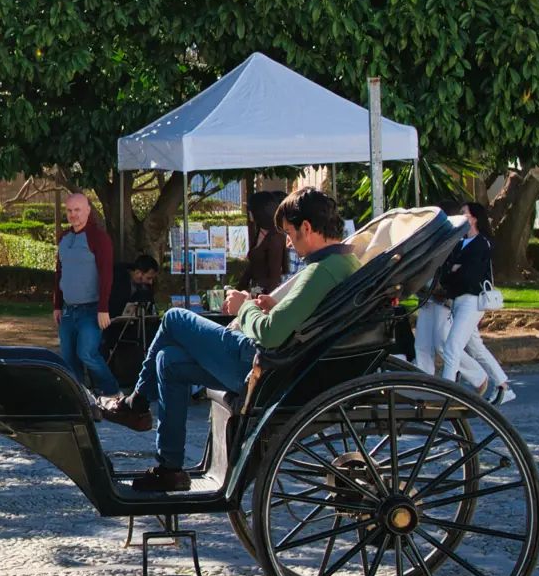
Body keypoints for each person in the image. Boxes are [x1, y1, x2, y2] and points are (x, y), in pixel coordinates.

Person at [101, 185, 356, 492]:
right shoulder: (342, 264)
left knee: (174, 318)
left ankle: (136, 405)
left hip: (259, 362)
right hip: (275, 364)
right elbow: (299, 319)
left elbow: (272, 333)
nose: (288, 242)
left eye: (290, 233)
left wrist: (243, 307)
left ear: (307, 227)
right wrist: (272, 308)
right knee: (168, 362)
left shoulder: (322, 271)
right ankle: (170, 468)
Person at [415, 198, 511, 396]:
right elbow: (446, 272)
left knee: (451, 346)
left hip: (472, 300)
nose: (461, 216)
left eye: (464, 212)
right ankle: (503, 385)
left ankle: (448, 393)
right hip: (458, 300)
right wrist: (454, 270)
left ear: (474, 219)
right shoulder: (460, 244)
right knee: (476, 348)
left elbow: (469, 276)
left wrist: (455, 271)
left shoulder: (481, 243)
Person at [53, 190, 115, 398]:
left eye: (78, 210)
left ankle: (112, 393)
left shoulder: (98, 238)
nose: (73, 215)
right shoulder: (63, 237)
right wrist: (56, 305)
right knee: (69, 358)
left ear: (88, 210)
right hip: (68, 311)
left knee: (87, 354)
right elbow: (59, 273)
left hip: (91, 309)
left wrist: (104, 308)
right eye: (69, 211)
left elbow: (106, 274)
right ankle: (79, 398)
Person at [103, 251, 161, 392]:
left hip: (137, 323)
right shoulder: (118, 279)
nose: (150, 281)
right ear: (138, 273)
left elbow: (150, 304)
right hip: (115, 323)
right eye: (148, 277)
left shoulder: (146, 287)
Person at [242, 190, 289, 295]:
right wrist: (238, 289)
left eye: (250, 209)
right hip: (256, 291)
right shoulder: (260, 231)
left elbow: (275, 274)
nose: (249, 213)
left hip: (266, 295)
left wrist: (267, 300)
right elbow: (251, 267)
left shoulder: (275, 236)